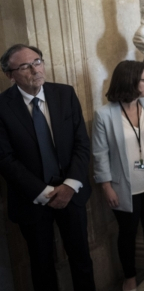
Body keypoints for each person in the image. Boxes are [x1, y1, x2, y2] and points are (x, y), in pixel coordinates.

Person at [0, 44, 95, 291]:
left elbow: (81, 144)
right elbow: (5, 159)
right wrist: (44, 193)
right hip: (31, 199)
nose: (35, 69)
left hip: (71, 193)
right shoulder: (2, 107)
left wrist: (70, 185)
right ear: (9, 75)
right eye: (25, 66)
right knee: (41, 267)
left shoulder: (65, 94)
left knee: (82, 260)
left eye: (38, 61)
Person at [92, 61, 144, 291]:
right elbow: (100, 153)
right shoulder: (104, 114)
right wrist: (106, 186)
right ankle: (129, 276)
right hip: (125, 186)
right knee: (128, 233)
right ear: (131, 81)